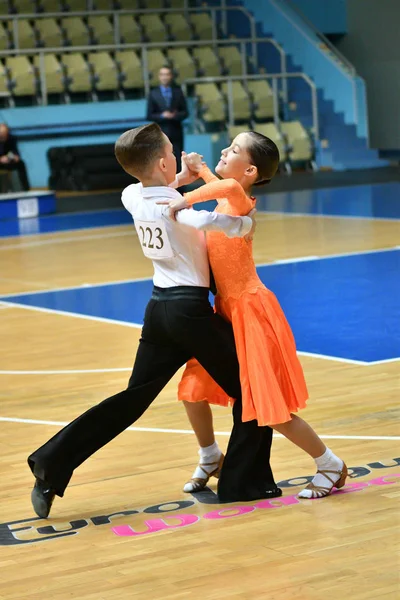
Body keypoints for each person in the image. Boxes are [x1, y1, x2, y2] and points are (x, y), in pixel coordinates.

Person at [27, 124, 281, 520]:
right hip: (189, 312)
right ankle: (242, 482)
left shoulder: (132, 194)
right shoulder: (183, 210)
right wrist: (247, 222)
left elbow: (161, 188)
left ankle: (50, 468)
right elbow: (222, 222)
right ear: (164, 161)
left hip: (159, 309)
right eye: (171, 151)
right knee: (251, 392)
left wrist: (181, 178)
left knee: (131, 400)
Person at [163, 133, 347, 500]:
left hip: (250, 312)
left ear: (249, 169)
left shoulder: (239, 199)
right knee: (193, 390)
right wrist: (198, 172)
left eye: (232, 150)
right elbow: (221, 186)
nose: (224, 151)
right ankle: (210, 456)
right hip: (225, 312)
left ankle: (329, 463)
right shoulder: (230, 197)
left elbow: (226, 187)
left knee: (268, 406)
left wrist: (179, 200)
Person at [146, 66, 188, 172]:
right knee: (161, 158)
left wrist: (175, 115)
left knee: (178, 158)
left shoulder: (178, 92)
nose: (165, 77)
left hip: (176, 131)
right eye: (162, 74)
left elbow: (185, 112)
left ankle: (180, 186)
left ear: (171, 76)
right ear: (159, 77)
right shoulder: (153, 94)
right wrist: (162, 116)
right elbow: (149, 115)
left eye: (167, 74)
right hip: (161, 132)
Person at [0, 123, 30, 191]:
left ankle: (25, 189)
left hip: (8, 160)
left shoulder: (11, 138)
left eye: (4, 134)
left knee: (21, 164)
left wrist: (14, 157)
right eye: (1, 135)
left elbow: (15, 152)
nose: (3, 137)